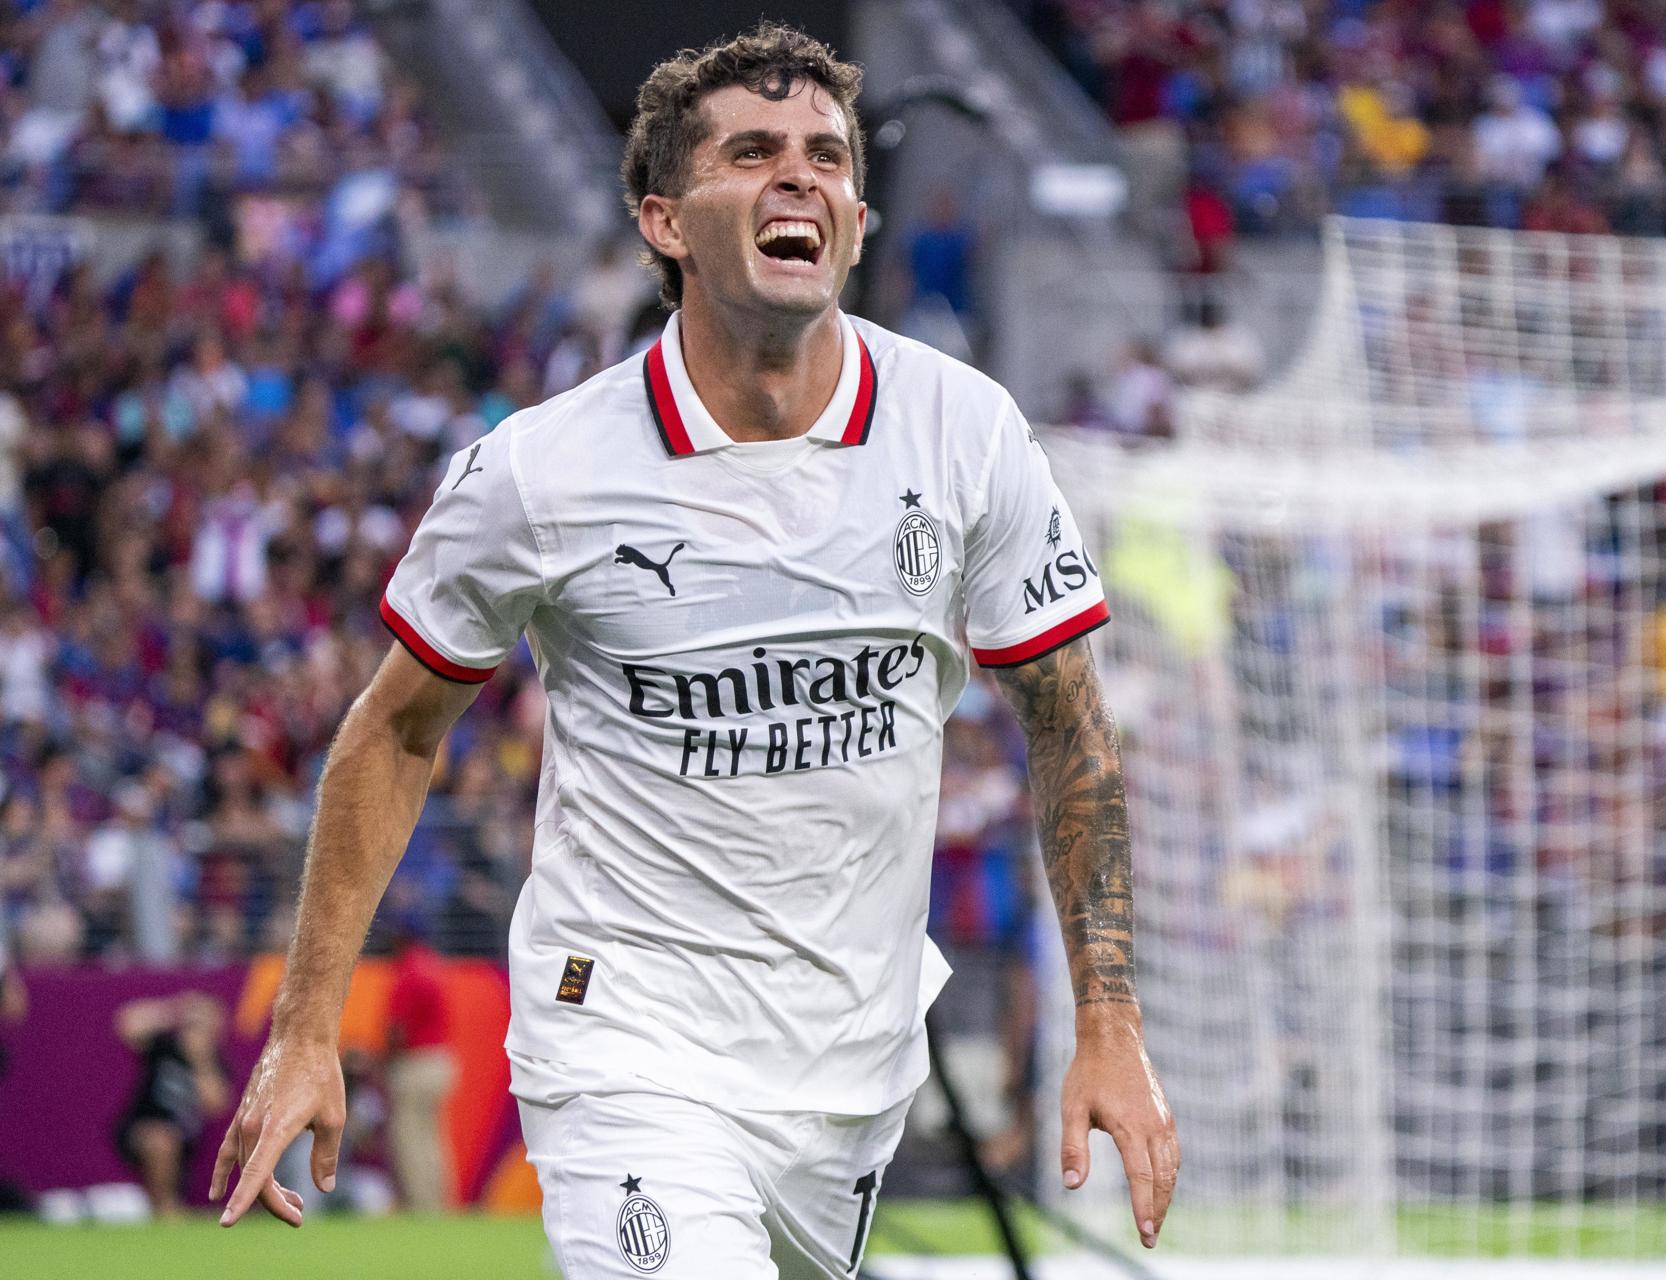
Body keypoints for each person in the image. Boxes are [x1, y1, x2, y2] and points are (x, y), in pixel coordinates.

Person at [210, 22, 1178, 1276]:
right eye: (754, 152)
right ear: (666, 221)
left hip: (846, 1064)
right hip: (622, 1040)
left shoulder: (966, 433)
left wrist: (1110, 1018)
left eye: (827, 156)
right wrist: (304, 1025)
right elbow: (393, 728)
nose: (801, 177)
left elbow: (1068, 722)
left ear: (858, 219)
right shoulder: (543, 470)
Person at [115, 992, 231, 1219]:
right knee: (161, 1139)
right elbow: (127, 1024)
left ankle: (166, 1207)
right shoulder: (164, 1047)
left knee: (167, 1139)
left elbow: (216, 1105)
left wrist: (200, 1060)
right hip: (142, 1126)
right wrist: (174, 1012)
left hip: (184, 1137)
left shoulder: (214, 1063)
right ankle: (165, 1208)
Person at [383, 922, 455, 1212]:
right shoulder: (433, 965)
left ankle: (421, 1206)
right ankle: (439, 1203)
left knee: (409, 1139)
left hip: (414, 1063)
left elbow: (398, 1029)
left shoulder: (408, 971)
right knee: (431, 1139)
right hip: (440, 1060)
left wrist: (382, 1059)